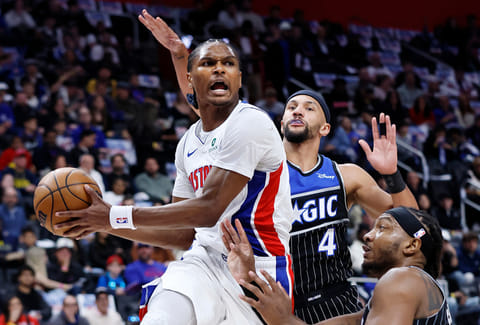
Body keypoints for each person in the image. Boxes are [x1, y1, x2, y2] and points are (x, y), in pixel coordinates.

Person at [155, 15, 418, 323]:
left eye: (309, 108)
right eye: (291, 107)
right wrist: (180, 57)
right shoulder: (259, 163)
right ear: (280, 123)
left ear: (325, 127)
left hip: (337, 297)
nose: (297, 110)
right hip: (278, 296)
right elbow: (203, 104)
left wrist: (392, 175)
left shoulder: (346, 175)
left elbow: (411, 223)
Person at [55, 9, 293, 325]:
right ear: (192, 79)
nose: (220, 69)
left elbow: (208, 208)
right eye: (209, 63)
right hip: (203, 261)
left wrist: (113, 214)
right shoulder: (188, 143)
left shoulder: (250, 122)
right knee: (162, 315)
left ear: (238, 79)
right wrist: (103, 223)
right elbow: (182, 234)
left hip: (259, 272)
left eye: (229, 64)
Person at [222, 207, 452, 325]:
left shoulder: (402, 279)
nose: (369, 236)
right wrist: (250, 276)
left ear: (412, 245)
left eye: (383, 227)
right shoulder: (383, 304)